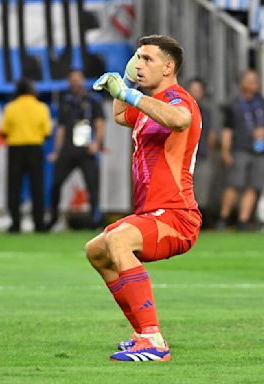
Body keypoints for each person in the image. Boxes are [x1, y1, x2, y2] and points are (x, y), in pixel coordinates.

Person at [87, 34, 202, 362]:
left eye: (147, 59)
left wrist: (128, 93)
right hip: (153, 214)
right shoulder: (148, 105)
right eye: (137, 57)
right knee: (96, 251)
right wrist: (123, 84)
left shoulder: (179, 99)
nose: (140, 64)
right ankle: (141, 333)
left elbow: (180, 120)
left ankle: (153, 341)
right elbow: (122, 116)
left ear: (169, 66)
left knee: (119, 241)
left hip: (177, 216)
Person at [47, 69, 105, 229]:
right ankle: (53, 217)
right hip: (68, 148)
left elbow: (100, 123)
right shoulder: (66, 102)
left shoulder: (93, 100)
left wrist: (96, 143)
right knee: (56, 183)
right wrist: (56, 151)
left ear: (83, 80)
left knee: (92, 185)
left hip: (86, 149)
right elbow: (61, 128)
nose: (74, 82)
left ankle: (95, 220)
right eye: (72, 80)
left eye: (77, 79)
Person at [220, 69, 264, 230]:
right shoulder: (234, 105)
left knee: (254, 186)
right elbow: (227, 129)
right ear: (241, 83)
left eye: (255, 80)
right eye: (249, 80)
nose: (253, 83)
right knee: (234, 184)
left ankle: (243, 219)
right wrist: (225, 151)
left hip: (259, 151)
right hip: (240, 149)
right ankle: (224, 218)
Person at [1, 79, 52, 233]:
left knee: (14, 187)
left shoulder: (11, 107)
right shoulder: (41, 107)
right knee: (37, 187)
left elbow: (4, 130)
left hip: (15, 148)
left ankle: (15, 223)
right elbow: (46, 132)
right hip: (35, 148)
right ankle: (39, 224)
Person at [187, 78, 217, 228]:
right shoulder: (181, 108)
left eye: (198, 90)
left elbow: (211, 133)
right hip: (185, 157)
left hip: (202, 154)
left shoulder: (206, 112)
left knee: (202, 189)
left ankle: (200, 221)